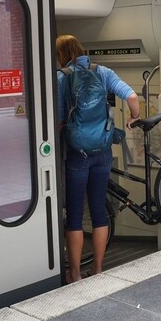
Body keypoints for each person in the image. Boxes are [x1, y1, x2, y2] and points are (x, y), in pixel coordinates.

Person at [56, 34, 140, 283]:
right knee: (98, 212)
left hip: (76, 154)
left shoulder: (61, 77)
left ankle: (74, 273)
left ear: (61, 54)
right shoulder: (102, 71)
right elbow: (132, 96)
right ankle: (98, 268)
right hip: (102, 151)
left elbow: (60, 121)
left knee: (74, 215)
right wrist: (134, 117)